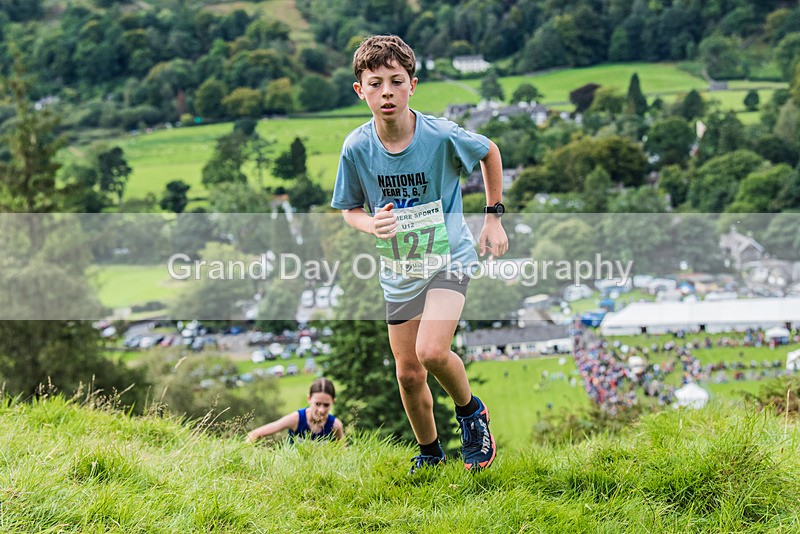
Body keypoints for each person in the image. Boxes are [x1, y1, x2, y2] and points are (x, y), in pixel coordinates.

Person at [331, 35, 508, 472]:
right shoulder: (356, 147)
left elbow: (489, 151)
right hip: (400, 269)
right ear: (360, 90)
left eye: (396, 81)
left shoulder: (440, 135)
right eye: (375, 83)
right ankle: (430, 454)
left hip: (449, 258)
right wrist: (370, 223)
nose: (386, 91)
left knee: (432, 351)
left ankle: (471, 414)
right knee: (409, 374)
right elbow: (350, 210)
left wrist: (493, 217)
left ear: (413, 84)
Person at [247, 377, 344, 443]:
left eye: (326, 405)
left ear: (333, 401)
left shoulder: (335, 425)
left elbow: (344, 454)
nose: (321, 410)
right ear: (309, 399)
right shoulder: (297, 419)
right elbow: (255, 434)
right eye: (317, 404)